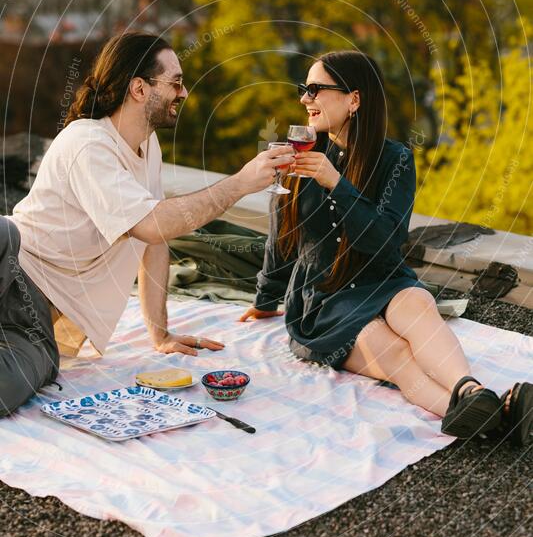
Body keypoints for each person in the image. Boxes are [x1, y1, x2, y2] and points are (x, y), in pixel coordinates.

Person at [240, 50, 532, 445]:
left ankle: (471, 392)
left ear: (354, 99)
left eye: (314, 89)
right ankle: (494, 416)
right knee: (392, 352)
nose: (304, 99)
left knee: (418, 306)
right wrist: (265, 299)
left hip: (382, 279)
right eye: (303, 90)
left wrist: (336, 184)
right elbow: (282, 239)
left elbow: (387, 243)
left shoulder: (395, 159)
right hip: (324, 300)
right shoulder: (297, 154)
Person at [0, 33, 294, 417]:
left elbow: (157, 240)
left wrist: (160, 333)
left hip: (34, 328)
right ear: (139, 88)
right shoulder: (89, 143)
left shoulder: (147, 146)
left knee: (12, 386)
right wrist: (238, 183)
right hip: (11, 268)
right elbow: (150, 226)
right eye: (175, 82)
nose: (184, 92)